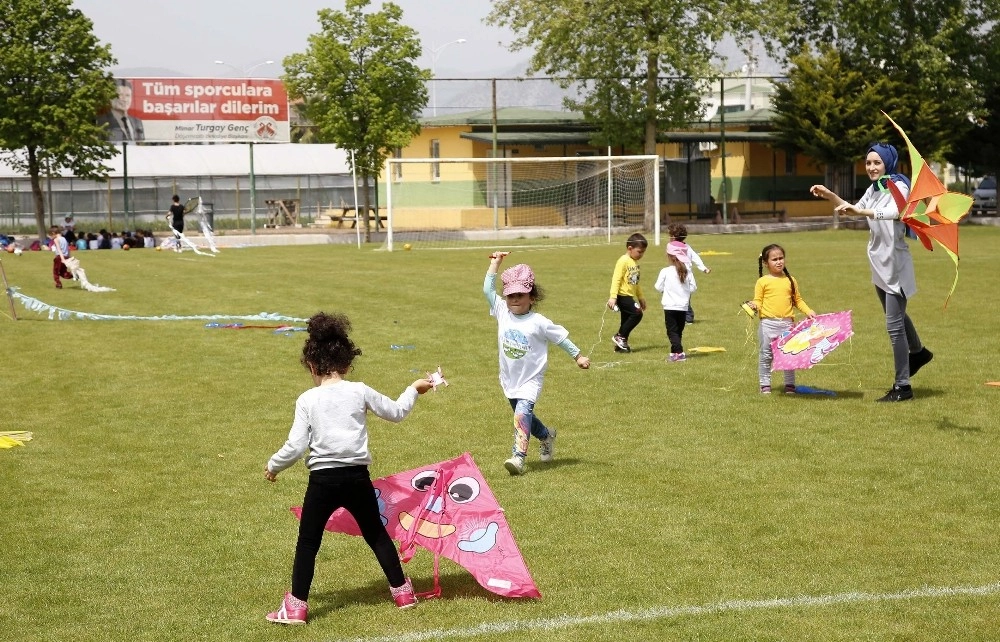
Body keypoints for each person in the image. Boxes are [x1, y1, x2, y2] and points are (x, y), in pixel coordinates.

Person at [263, 312, 434, 625]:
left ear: (312, 366)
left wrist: (273, 466)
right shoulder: (359, 390)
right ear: (346, 364)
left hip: (322, 482)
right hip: (357, 478)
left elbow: (296, 446)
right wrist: (414, 388)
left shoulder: (307, 399)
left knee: (308, 543)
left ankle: (297, 606)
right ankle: (402, 592)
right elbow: (396, 412)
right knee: (376, 535)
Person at [810, 142, 932, 402]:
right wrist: (830, 195)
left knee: (894, 327)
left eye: (877, 162)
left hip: (895, 264)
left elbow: (896, 211)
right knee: (896, 317)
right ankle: (919, 352)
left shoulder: (899, 185)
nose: (872, 167)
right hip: (878, 262)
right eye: (868, 163)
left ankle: (903, 387)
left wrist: (862, 210)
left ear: (888, 162)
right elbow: (852, 209)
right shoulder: (873, 189)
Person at [484, 252, 590, 476]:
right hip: (509, 378)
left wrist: (578, 356)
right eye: (510, 295)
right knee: (524, 418)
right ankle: (545, 435)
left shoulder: (539, 322)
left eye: (520, 295)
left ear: (532, 297)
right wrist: (495, 264)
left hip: (531, 379)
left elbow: (561, 338)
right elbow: (487, 290)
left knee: (521, 415)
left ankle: (518, 458)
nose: (514, 299)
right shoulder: (502, 311)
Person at [746, 243, 816, 394]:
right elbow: (758, 300)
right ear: (766, 263)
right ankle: (765, 386)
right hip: (768, 324)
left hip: (787, 324)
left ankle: (789, 385)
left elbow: (798, 300)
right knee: (766, 355)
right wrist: (754, 305)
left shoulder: (791, 280)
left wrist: (808, 311)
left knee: (788, 355)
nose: (779, 261)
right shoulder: (762, 281)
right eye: (774, 259)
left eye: (781, 258)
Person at [654, 241, 698, 362]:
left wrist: (666, 290)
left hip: (669, 306)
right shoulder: (687, 272)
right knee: (678, 331)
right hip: (683, 307)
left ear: (669, 256)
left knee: (672, 331)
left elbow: (658, 287)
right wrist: (684, 292)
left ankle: (679, 352)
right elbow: (693, 288)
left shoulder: (665, 271)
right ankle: (674, 353)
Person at [606, 233, 648, 353]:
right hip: (622, 296)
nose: (641, 255)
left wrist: (641, 297)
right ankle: (620, 336)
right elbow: (616, 279)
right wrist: (613, 297)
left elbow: (636, 282)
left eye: (643, 252)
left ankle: (620, 347)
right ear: (630, 248)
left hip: (629, 295)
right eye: (639, 252)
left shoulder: (634, 262)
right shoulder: (623, 261)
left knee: (626, 320)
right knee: (637, 313)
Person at [666, 223, 711, 323]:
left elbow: (695, 257)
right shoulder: (684, 246)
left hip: (684, 275)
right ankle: (682, 317)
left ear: (673, 236)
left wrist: (703, 268)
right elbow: (695, 257)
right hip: (677, 275)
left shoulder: (671, 246)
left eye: (670, 235)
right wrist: (704, 268)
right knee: (681, 296)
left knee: (684, 297)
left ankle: (688, 317)